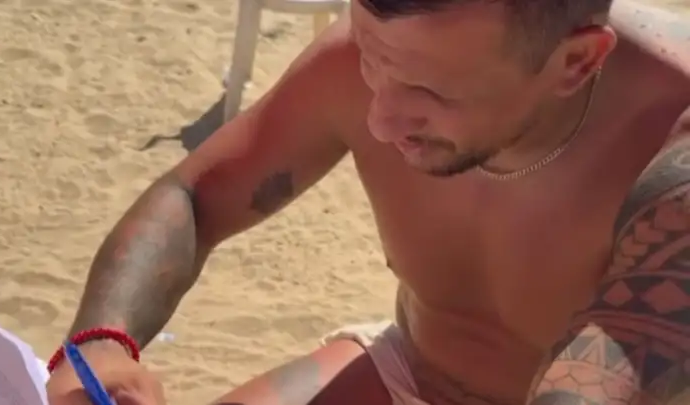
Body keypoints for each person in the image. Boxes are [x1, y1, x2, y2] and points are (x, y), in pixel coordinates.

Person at [45, 0, 690, 403]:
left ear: (576, 62)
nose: (379, 120)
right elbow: (194, 197)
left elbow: (605, 378)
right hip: (411, 370)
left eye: (430, 93)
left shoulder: (673, 130)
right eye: (373, 65)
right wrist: (101, 342)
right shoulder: (377, 52)